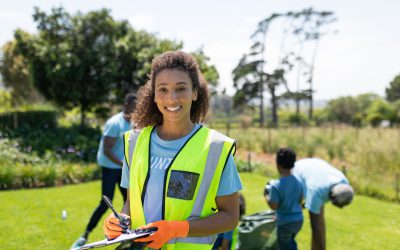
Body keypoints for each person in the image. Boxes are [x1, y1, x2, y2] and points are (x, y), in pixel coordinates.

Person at [103, 51, 243, 250]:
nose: (171, 98)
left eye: (180, 88)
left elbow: (229, 217)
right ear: (154, 95)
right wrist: (119, 219)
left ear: (195, 93)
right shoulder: (134, 143)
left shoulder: (216, 148)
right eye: (163, 89)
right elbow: (131, 204)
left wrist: (177, 229)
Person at [71, 93, 137, 249]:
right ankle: (85, 235)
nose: (136, 109)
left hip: (122, 168)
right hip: (110, 167)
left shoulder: (134, 123)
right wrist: (124, 164)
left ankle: (128, 234)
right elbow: (107, 149)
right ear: (126, 105)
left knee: (131, 202)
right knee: (105, 203)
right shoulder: (115, 123)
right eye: (134, 106)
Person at [292, 157, 354, 250]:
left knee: (319, 220)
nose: (341, 208)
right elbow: (315, 227)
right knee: (291, 215)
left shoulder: (344, 183)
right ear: (332, 197)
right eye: (339, 204)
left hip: (316, 169)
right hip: (297, 171)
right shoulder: (316, 191)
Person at [264, 148, 303, 250]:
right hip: (298, 220)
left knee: (284, 246)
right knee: (290, 242)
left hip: (285, 223)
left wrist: (266, 196)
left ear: (278, 164)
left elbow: (274, 206)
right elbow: (300, 200)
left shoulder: (276, 185)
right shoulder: (299, 182)